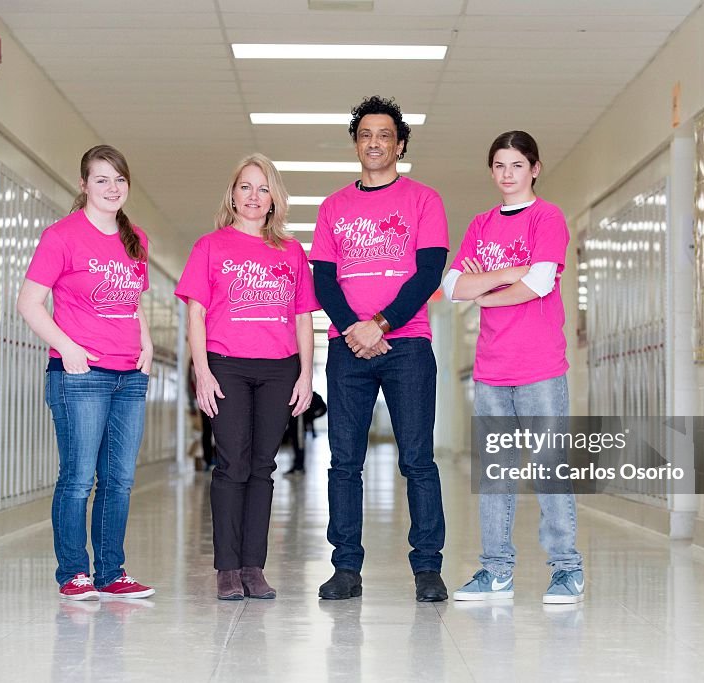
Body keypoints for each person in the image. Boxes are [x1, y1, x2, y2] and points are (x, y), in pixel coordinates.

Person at [310, 96, 449, 602]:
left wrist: (381, 324)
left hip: (408, 344)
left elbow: (428, 272)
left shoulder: (424, 200)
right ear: (356, 144)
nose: (374, 142)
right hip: (348, 350)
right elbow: (323, 279)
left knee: (417, 459)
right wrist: (354, 328)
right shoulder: (332, 207)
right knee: (344, 462)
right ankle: (345, 568)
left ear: (400, 144)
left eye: (385, 134)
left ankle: (428, 569)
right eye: (365, 134)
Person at [443, 130, 584, 604]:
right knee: (496, 474)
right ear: (492, 171)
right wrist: (506, 274)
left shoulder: (548, 217)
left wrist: (484, 289)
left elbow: (541, 282)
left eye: (517, 165)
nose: (508, 174)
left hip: (540, 365)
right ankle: (496, 571)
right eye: (500, 166)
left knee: (548, 469)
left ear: (535, 168)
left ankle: (567, 571)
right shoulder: (481, 224)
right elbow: (453, 288)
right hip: (491, 368)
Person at [176, 153, 318, 600]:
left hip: (279, 369)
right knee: (232, 465)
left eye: (263, 188)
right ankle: (226, 568)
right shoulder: (210, 246)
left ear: (274, 197)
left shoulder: (292, 252)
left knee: (263, 466)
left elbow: (302, 320)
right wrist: (202, 372)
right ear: (233, 194)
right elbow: (196, 314)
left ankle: (253, 567)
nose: (254, 196)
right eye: (245, 187)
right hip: (228, 366)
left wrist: (306, 376)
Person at [17, 145, 155, 601]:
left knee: (119, 479)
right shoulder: (62, 236)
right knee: (78, 478)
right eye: (102, 180)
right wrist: (67, 347)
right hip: (79, 376)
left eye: (119, 180)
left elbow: (132, 305)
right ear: (83, 185)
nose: (112, 189)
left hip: (128, 377)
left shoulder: (136, 238)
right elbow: (29, 304)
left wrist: (148, 345)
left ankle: (111, 573)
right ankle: (73, 573)